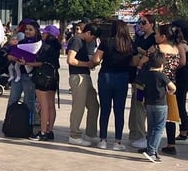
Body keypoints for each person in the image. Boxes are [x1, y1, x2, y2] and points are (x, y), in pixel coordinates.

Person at [93, 20, 135, 151]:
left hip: (106, 76)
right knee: (119, 110)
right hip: (122, 77)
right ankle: (117, 141)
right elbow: (133, 62)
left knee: (105, 109)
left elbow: (96, 59)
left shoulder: (106, 42)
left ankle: (103, 140)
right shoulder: (129, 44)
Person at [135, 51, 176, 163]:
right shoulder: (162, 76)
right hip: (161, 104)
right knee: (159, 128)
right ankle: (152, 152)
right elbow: (173, 87)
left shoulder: (145, 74)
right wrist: (169, 92)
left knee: (151, 127)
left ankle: (149, 148)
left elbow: (139, 83)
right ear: (162, 65)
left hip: (148, 104)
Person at [66, 23, 101, 146]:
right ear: (88, 33)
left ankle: (91, 133)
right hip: (78, 76)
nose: (93, 40)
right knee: (78, 107)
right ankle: (74, 134)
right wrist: (87, 64)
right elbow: (70, 60)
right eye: (93, 37)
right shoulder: (77, 40)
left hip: (85, 76)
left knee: (94, 105)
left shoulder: (83, 42)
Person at [29, 25, 61, 141]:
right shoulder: (56, 46)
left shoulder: (45, 46)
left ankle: (42, 132)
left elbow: (40, 62)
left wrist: (27, 63)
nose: (43, 34)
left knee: (44, 106)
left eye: (45, 33)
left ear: (49, 34)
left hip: (43, 76)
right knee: (51, 105)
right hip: (54, 75)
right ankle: (50, 130)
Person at [129, 15, 156, 149]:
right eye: (140, 22)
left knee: (143, 106)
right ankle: (134, 132)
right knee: (135, 104)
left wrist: (142, 52)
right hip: (137, 77)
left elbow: (154, 56)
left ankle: (142, 135)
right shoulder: (139, 38)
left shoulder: (154, 38)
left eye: (144, 22)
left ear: (151, 24)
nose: (141, 25)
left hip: (148, 77)